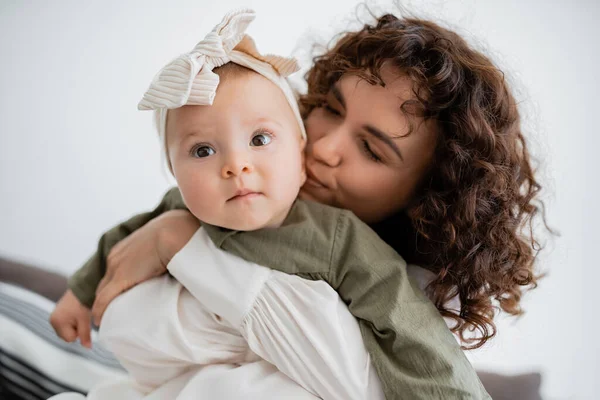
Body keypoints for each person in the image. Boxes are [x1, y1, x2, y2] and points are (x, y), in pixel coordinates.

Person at [51, 7, 547, 400]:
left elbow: (420, 354)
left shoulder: (362, 260)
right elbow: (130, 241)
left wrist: (181, 241)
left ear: (429, 197)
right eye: (330, 109)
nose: (324, 146)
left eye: (371, 149)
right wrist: (84, 287)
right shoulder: (216, 198)